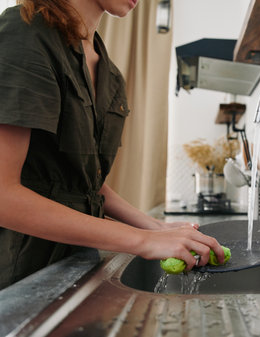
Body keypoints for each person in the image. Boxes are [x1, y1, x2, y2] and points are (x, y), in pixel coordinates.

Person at [0, 0, 224, 290]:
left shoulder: (106, 68)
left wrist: (154, 227)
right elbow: (4, 196)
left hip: (76, 264)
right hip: (20, 274)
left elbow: (84, 182)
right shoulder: (26, 33)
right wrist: (142, 240)